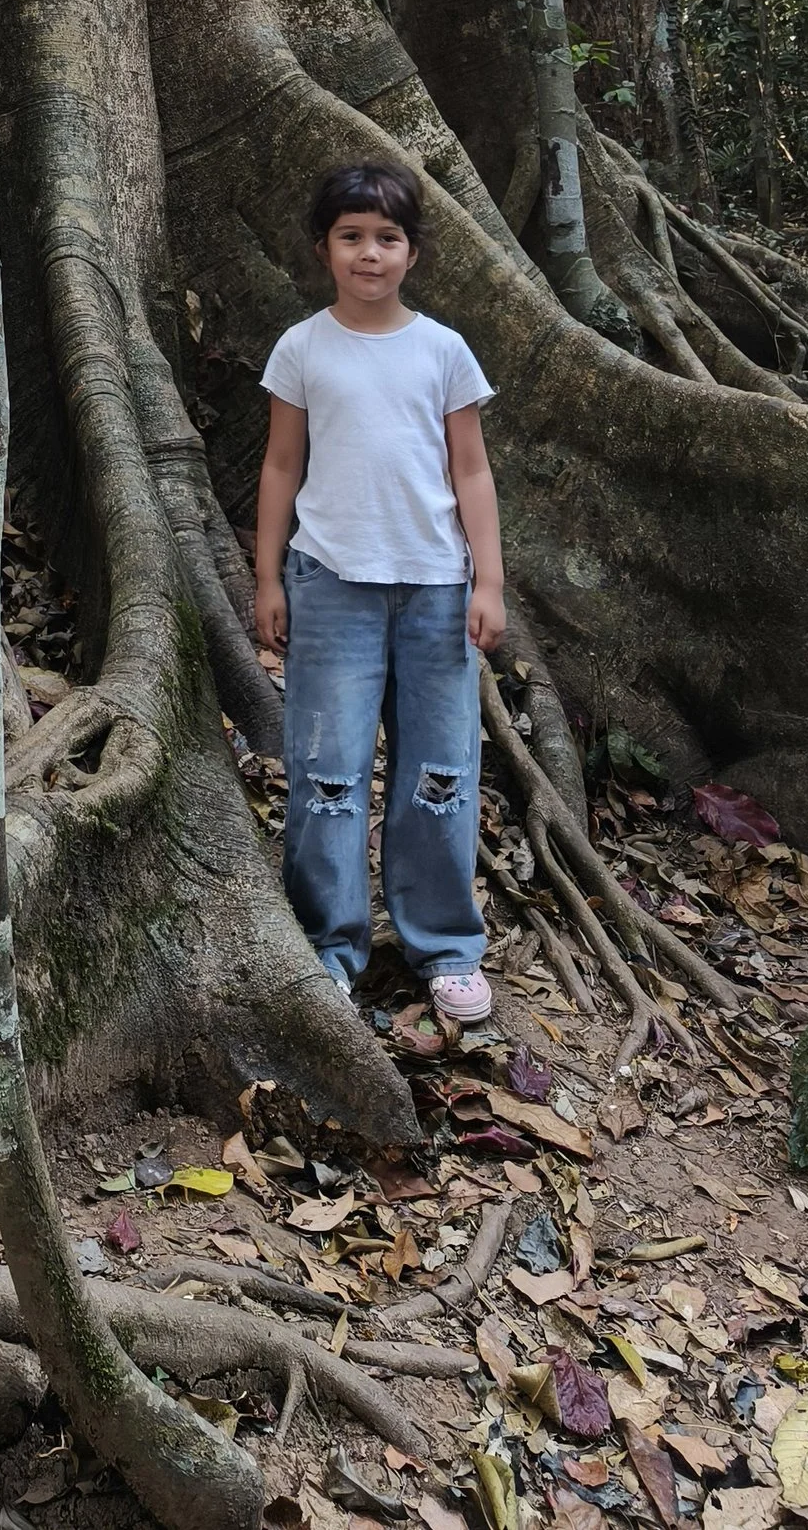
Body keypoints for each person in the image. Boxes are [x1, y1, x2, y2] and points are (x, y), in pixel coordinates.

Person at [254, 159, 504, 1032]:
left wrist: (490, 582)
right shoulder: (302, 347)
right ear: (324, 247)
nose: (370, 253)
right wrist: (266, 575)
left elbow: (470, 471)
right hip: (329, 588)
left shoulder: (443, 350)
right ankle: (330, 944)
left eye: (387, 237)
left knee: (441, 772)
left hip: (436, 589)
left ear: (413, 252)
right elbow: (282, 463)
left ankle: (444, 946)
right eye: (352, 235)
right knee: (328, 774)